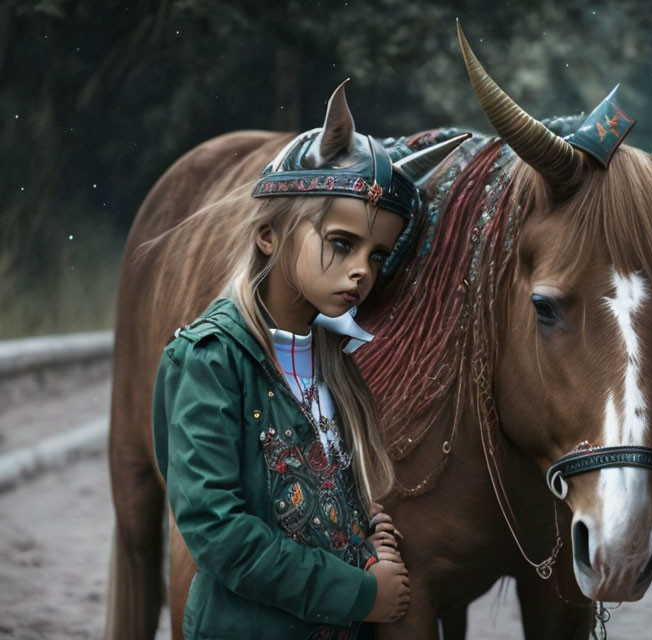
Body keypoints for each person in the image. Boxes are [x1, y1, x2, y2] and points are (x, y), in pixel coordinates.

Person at [151, 81, 465, 639]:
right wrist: (362, 593)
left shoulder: (336, 365)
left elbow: (322, 489)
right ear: (270, 234)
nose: (362, 270)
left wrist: (369, 526)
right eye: (342, 243)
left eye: (378, 255)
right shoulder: (210, 361)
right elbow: (220, 536)